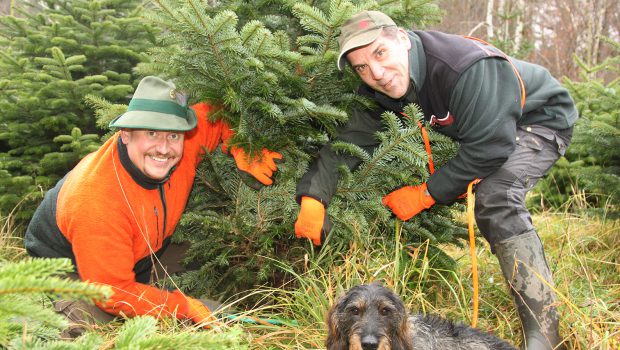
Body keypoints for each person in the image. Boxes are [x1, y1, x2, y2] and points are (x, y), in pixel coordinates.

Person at [294, 10, 577, 350]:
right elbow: (349, 142)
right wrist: (313, 198)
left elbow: (490, 147)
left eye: (380, 53)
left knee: (496, 198)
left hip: (537, 121)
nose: (377, 73)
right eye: (362, 67)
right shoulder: (385, 87)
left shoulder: (462, 69)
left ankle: (544, 335)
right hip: (486, 126)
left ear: (401, 38)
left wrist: (427, 193)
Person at [25, 76, 282, 336]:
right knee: (95, 330)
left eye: (173, 135)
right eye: (151, 133)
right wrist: (183, 307)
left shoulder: (187, 140)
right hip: (70, 265)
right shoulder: (97, 200)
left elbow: (217, 113)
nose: (163, 148)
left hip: (143, 250)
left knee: (201, 270)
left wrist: (241, 147)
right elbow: (112, 291)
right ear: (126, 134)